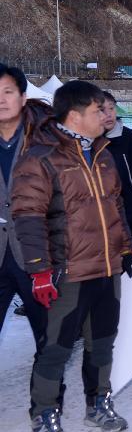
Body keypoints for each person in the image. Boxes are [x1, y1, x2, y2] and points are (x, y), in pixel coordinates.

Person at [13, 80, 132, 432]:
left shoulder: (103, 153)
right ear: (76, 114)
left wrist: (125, 249)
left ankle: (98, 401)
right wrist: (39, 269)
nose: (106, 115)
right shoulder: (41, 157)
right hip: (68, 272)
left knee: (103, 342)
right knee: (56, 348)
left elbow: (115, 207)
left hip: (106, 269)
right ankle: (44, 414)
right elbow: (28, 217)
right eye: (100, 110)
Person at [0, 64, 48, 345]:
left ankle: (46, 390)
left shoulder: (47, 138)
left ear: (22, 96)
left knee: (48, 339)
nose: (1, 100)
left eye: (8, 92)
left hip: (37, 256)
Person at [102, 91, 132, 239]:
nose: (108, 114)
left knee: (126, 260)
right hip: (96, 221)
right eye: (102, 110)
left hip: (127, 217)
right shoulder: (87, 143)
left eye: (111, 108)